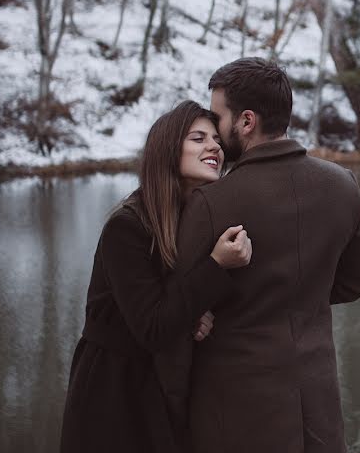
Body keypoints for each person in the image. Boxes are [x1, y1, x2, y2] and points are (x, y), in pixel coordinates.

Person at [166, 57, 360, 453]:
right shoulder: (343, 185)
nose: (216, 133)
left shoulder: (210, 201)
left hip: (235, 412)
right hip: (318, 401)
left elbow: (183, 304)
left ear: (246, 121)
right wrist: (300, 294)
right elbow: (351, 284)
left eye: (218, 118)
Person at [60, 101, 253, 453]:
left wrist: (193, 313)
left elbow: (173, 303)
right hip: (114, 394)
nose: (214, 147)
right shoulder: (128, 227)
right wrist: (215, 265)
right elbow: (152, 326)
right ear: (167, 150)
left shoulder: (195, 223)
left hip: (164, 386)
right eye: (198, 138)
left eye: (216, 140)